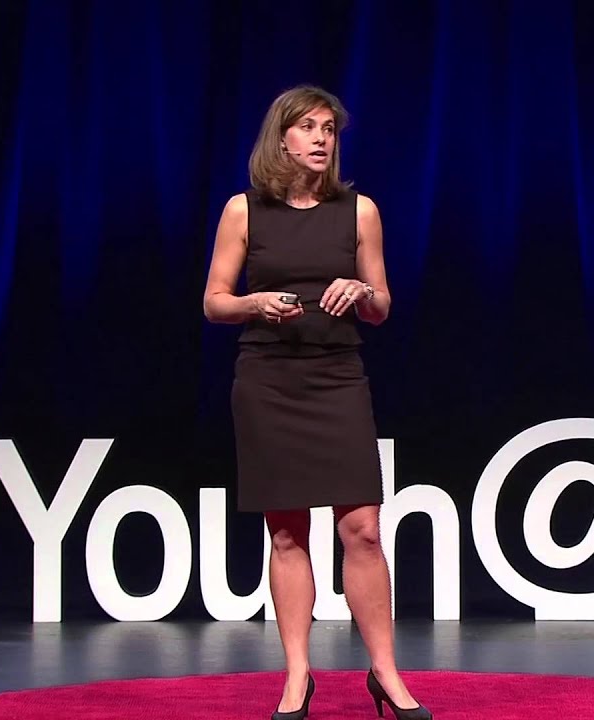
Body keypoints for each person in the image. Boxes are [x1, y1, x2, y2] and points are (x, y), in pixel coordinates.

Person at [202, 85, 432, 720]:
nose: (322, 138)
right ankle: (297, 676)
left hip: (337, 376)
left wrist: (361, 289)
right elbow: (214, 300)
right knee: (286, 533)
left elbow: (383, 307)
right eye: (309, 127)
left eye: (330, 128)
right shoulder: (243, 211)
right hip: (268, 378)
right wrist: (254, 303)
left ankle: (385, 672)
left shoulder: (360, 212)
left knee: (361, 528)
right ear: (283, 138)